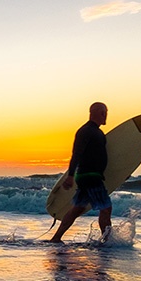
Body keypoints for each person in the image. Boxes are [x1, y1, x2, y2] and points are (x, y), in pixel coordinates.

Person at [49, 101, 112, 242]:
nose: (106, 116)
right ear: (101, 113)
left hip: (89, 176)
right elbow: (76, 154)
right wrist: (70, 175)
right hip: (90, 177)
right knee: (106, 208)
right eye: (105, 112)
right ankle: (107, 242)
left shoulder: (96, 132)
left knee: (77, 209)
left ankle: (56, 238)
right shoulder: (87, 131)